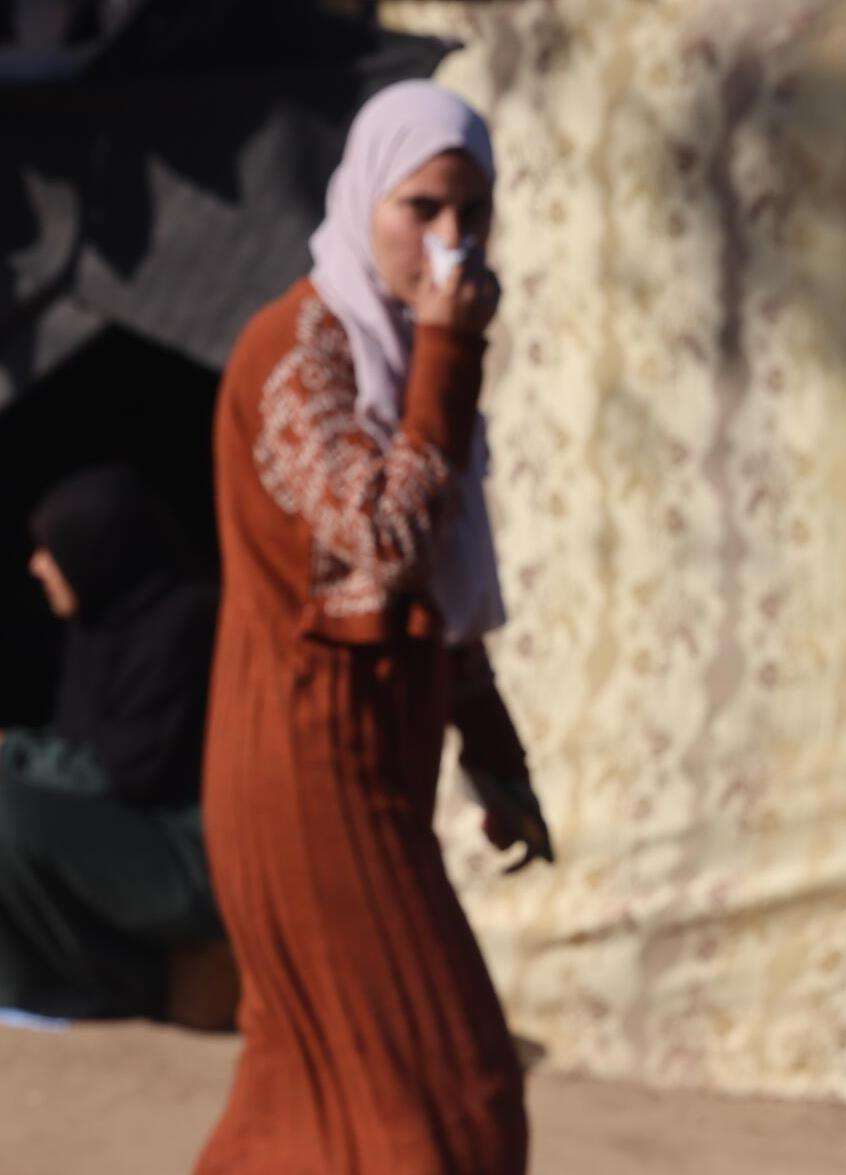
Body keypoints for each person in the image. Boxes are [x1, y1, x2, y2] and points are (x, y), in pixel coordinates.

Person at [197, 81, 551, 1175]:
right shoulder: (296, 351)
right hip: (302, 769)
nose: (451, 241)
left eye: (472, 213)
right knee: (453, 1092)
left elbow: (433, 604)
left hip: (371, 761)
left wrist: (495, 759)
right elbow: (384, 537)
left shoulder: (394, 358)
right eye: (423, 208)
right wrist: (449, 350)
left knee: (315, 1092)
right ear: (365, 203)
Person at [0, 466, 226, 1023]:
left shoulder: (182, 628)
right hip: (129, 834)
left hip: (190, 854)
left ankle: (110, 985)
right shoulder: (99, 632)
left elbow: (125, 774)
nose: (37, 566)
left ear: (98, 550)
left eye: (51, 550)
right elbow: (85, 748)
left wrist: (15, 752)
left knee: (9, 813)